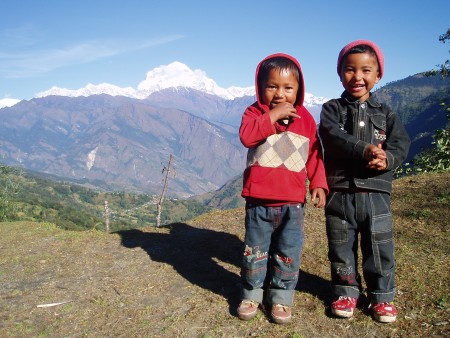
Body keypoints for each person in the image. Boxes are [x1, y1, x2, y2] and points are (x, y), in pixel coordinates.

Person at [318, 40, 411, 323]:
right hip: (341, 193)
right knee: (341, 246)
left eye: (366, 70)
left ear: (378, 75)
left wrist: (387, 160)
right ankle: (346, 290)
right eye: (349, 69)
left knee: (380, 246)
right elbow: (332, 137)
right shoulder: (332, 109)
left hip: (376, 193)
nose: (357, 76)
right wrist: (365, 149)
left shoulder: (387, 114)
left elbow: (400, 144)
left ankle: (381, 297)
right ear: (340, 73)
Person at [238, 53, 328, 324]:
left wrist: (319, 183)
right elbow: (247, 136)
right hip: (258, 202)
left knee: (288, 251)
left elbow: (315, 155)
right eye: (272, 86)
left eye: (288, 88)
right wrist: (272, 116)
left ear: (298, 91)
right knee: (255, 250)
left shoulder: (307, 121)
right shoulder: (254, 113)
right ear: (260, 87)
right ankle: (251, 293)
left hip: (292, 204)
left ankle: (281, 297)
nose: (280, 94)